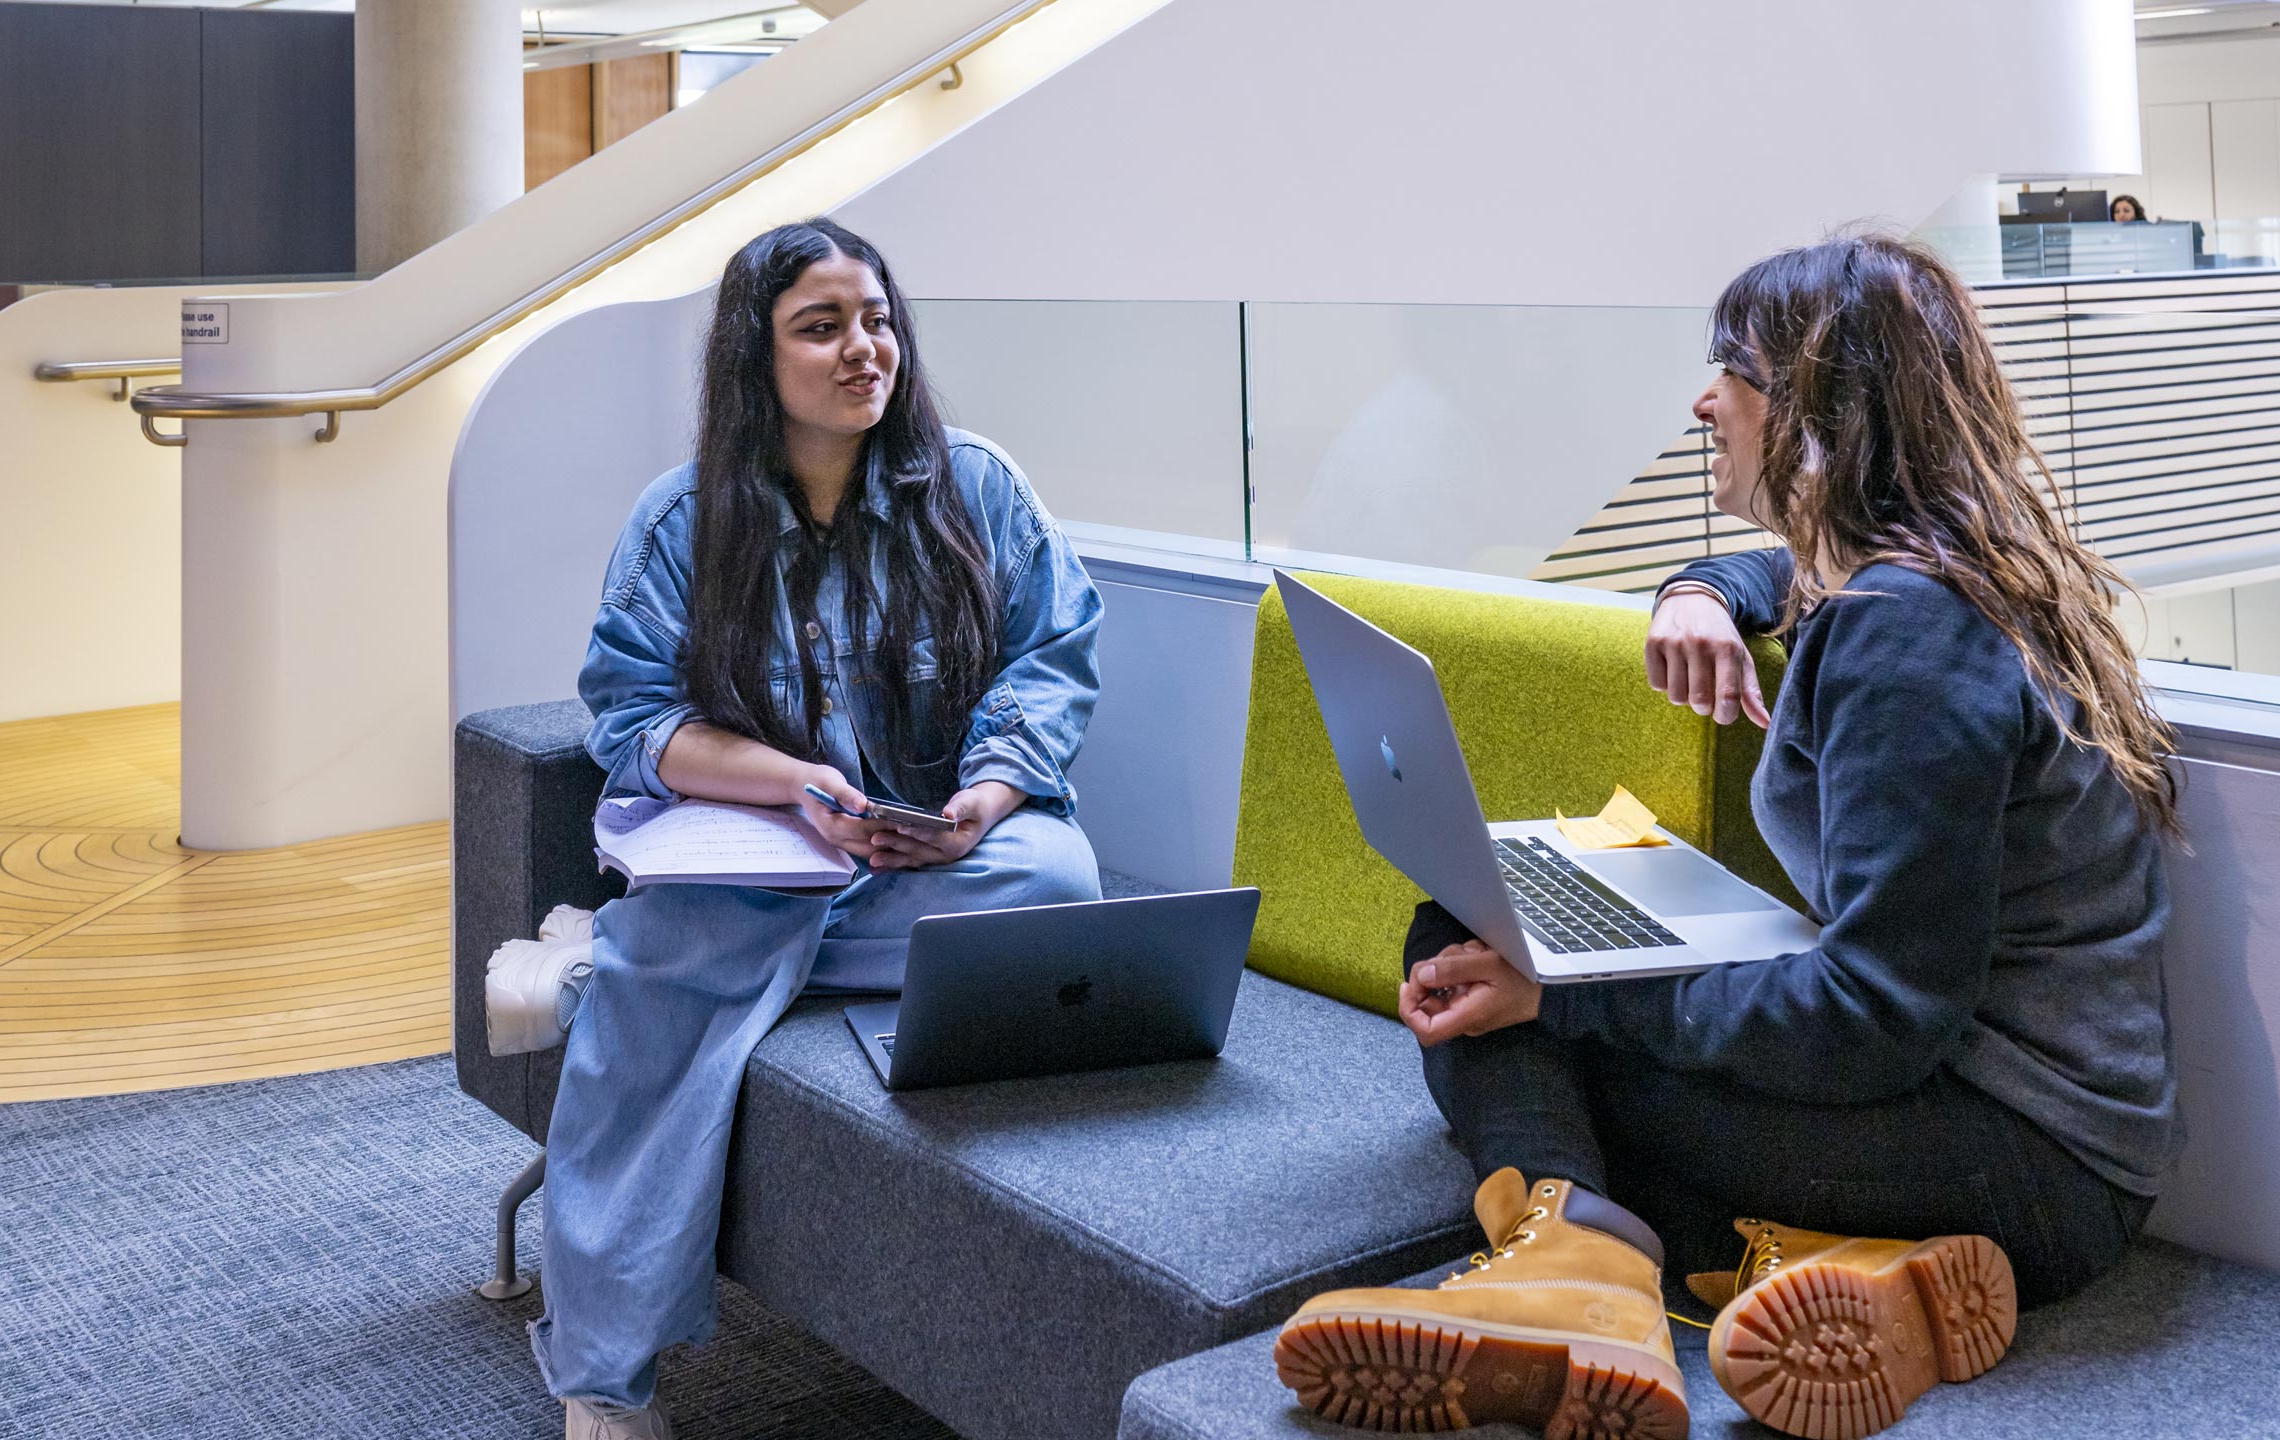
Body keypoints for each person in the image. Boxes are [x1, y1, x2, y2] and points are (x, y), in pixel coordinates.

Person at [1271, 234, 2180, 1440]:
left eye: (1734, 371)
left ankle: (1580, 1275)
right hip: (2035, 1141)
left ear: (1820, 411)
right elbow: (1781, 572)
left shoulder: (1906, 640)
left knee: (1497, 997)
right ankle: (1833, 1270)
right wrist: (1702, 589)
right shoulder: (1922, 576)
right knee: (1476, 926)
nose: (1706, 400)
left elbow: (1874, 1023)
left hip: (2021, 1154)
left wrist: (1566, 1002)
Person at [534, 218, 1105, 1439]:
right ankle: (601, 1380)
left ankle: (647, 969)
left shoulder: (982, 487)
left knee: (1057, 874)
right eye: (823, 327)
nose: (865, 349)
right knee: (686, 943)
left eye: (878, 319)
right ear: (758, 356)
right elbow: (634, 718)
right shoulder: (681, 520)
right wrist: (791, 783)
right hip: (751, 865)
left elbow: (1049, 664)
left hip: (919, 867)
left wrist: (976, 807)